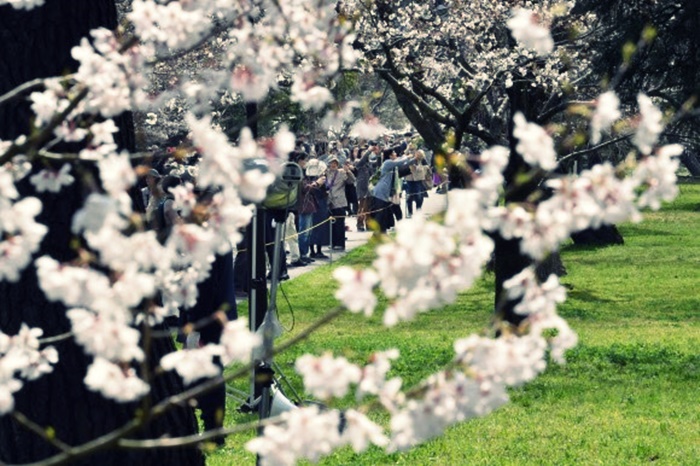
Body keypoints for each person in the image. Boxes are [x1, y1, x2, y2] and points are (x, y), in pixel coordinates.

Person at [369, 148, 418, 232]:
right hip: (381, 191)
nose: (395, 154)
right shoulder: (387, 163)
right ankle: (377, 233)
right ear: (390, 155)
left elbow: (404, 164)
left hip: (385, 192)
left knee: (384, 214)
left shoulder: (392, 165)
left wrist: (415, 159)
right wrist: (407, 156)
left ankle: (382, 232)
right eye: (394, 152)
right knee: (380, 213)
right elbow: (400, 162)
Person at [325, 156, 355, 250]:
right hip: (329, 202)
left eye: (335, 163)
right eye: (331, 163)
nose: (333, 165)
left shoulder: (341, 172)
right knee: (331, 224)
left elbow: (352, 180)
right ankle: (333, 243)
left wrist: (348, 171)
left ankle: (340, 244)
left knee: (340, 224)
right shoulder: (326, 173)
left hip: (340, 201)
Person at [306, 158, 330, 258]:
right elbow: (326, 188)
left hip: (314, 204)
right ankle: (316, 250)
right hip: (318, 204)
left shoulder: (308, 178)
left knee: (314, 227)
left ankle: (314, 250)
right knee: (318, 227)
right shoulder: (318, 179)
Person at [354, 142, 380, 231]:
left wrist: (379, 153)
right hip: (362, 188)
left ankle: (368, 224)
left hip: (369, 187)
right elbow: (362, 160)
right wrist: (368, 151)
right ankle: (360, 224)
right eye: (363, 152)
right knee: (362, 207)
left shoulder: (370, 163)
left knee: (369, 207)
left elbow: (378, 163)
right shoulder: (357, 161)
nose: (365, 153)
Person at [404, 149, 430, 218]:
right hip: (410, 180)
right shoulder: (409, 159)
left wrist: (420, 168)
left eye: (420, 154)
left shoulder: (422, 160)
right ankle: (410, 212)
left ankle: (418, 210)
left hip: (419, 180)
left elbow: (427, 167)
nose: (418, 155)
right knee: (409, 197)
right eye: (417, 154)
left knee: (419, 197)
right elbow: (404, 166)